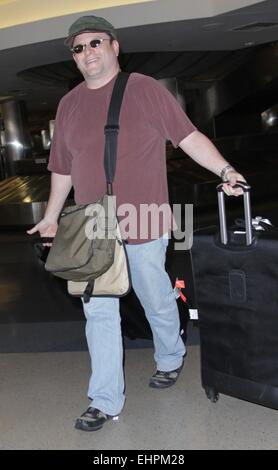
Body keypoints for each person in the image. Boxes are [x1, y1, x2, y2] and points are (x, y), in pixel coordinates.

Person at [27, 15, 246, 432]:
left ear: (114, 46)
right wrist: (52, 217)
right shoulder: (69, 104)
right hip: (95, 224)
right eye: (78, 48)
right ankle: (104, 400)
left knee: (153, 294)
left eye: (95, 43)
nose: (87, 53)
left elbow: (189, 137)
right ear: (73, 58)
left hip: (145, 217)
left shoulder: (144, 89)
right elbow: (62, 169)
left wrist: (226, 171)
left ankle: (170, 355)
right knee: (99, 313)